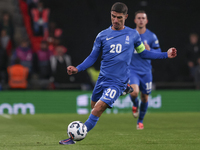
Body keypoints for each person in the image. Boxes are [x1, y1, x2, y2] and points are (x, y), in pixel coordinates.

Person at [59, 2, 177, 145]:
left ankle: (75, 138)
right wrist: (78, 68)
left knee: (98, 109)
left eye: (119, 18)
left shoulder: (133, 34)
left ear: (126, 17)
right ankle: (125, 90)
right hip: (103, 79)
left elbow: (143, 53)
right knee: (93, 105)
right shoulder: (102, 35)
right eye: (113, 16)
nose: (115, 20)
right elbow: (92, 57)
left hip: (117, 81)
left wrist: (166, 54)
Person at [128, 10, 163, 130]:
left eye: (143, 18)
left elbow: (158, 52)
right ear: (135, 20)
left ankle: (140, 121)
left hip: (146, 71)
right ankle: (134, 104)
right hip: (132, 70)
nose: (141, 20)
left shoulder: (151, 36)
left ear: (146, 21)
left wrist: (150, 51)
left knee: (145, 97)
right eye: (139, 18)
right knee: (134, 92)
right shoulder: (130, 35)